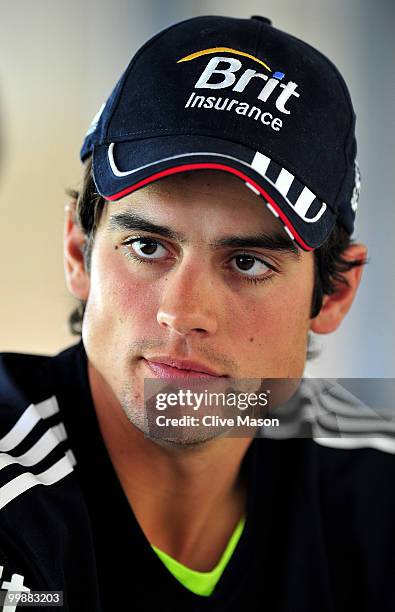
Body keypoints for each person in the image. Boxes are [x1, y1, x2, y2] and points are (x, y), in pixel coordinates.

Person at [0, 14, 392, 612]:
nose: (183, 313)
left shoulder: (374, 479)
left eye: (248, 262)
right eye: (148, 247)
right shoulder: (15, 498)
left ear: (334, 293)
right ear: (79, 252)